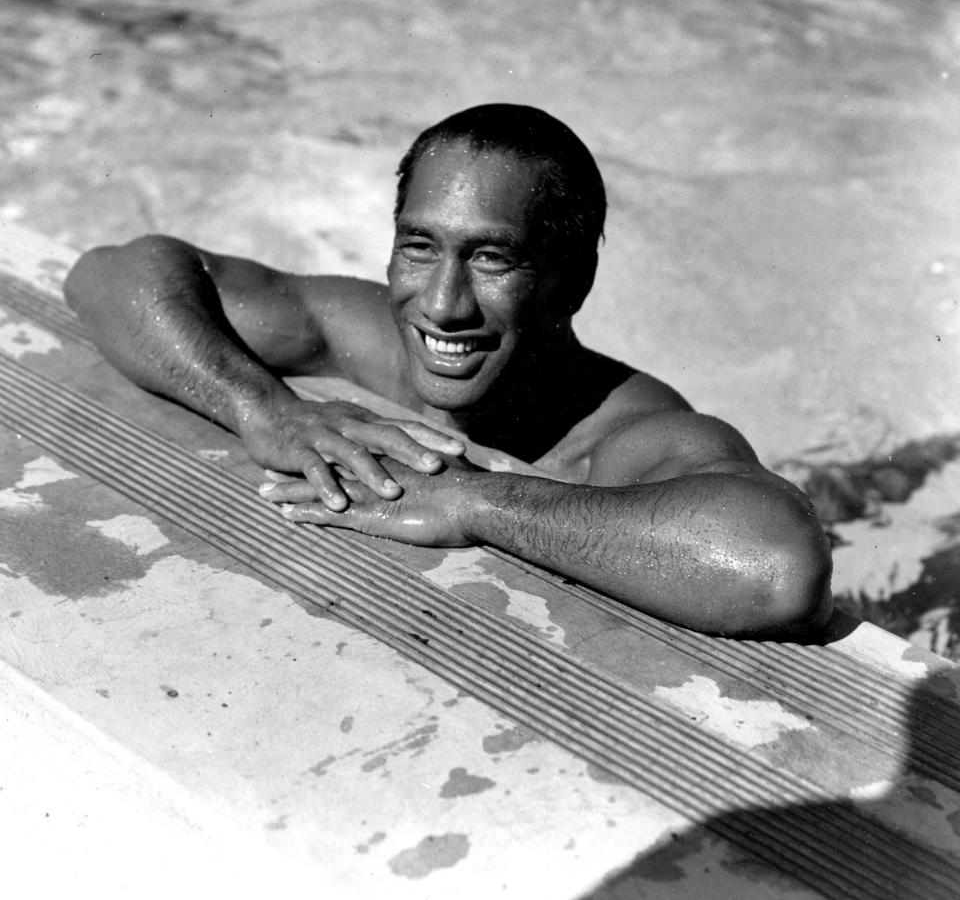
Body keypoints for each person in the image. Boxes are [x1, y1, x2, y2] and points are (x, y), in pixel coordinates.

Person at [64, 103, 832, 637]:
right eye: (420, 246)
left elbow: (775, 567)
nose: (440, 304)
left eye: (490, 257)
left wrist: (476, 502)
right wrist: (263, 407)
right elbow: (115, 272)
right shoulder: (370, 336)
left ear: (573, 282)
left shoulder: (626, 432)